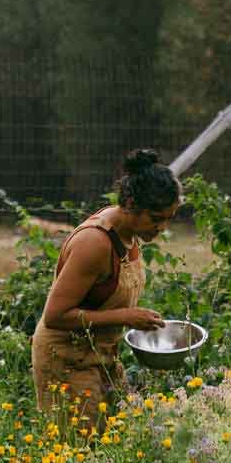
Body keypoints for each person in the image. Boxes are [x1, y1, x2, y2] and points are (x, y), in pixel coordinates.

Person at [31, 148, 182, 430]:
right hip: (66, 359)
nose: (162, 227)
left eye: (169, 218)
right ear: (129, 204)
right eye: (156, 218)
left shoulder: (131, 233)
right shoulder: (95, 244)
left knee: (122, 439)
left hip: (102, 355)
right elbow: (55, 316)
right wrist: (126, 317)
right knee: (81, 455)